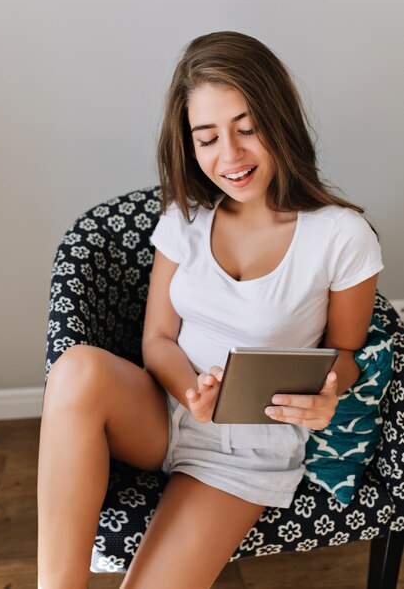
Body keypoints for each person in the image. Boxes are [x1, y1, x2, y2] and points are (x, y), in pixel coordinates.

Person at [37, 31, 383, 589]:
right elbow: (158, 339)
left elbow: (346, 352)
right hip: (165, 412)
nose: (231, 156)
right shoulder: (186, 217)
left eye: (247, 129)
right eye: (207, 137)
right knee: (76, 367)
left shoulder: (342, 236)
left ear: (281, 119)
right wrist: (191, 395)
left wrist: (327, 394)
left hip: (247, 447)